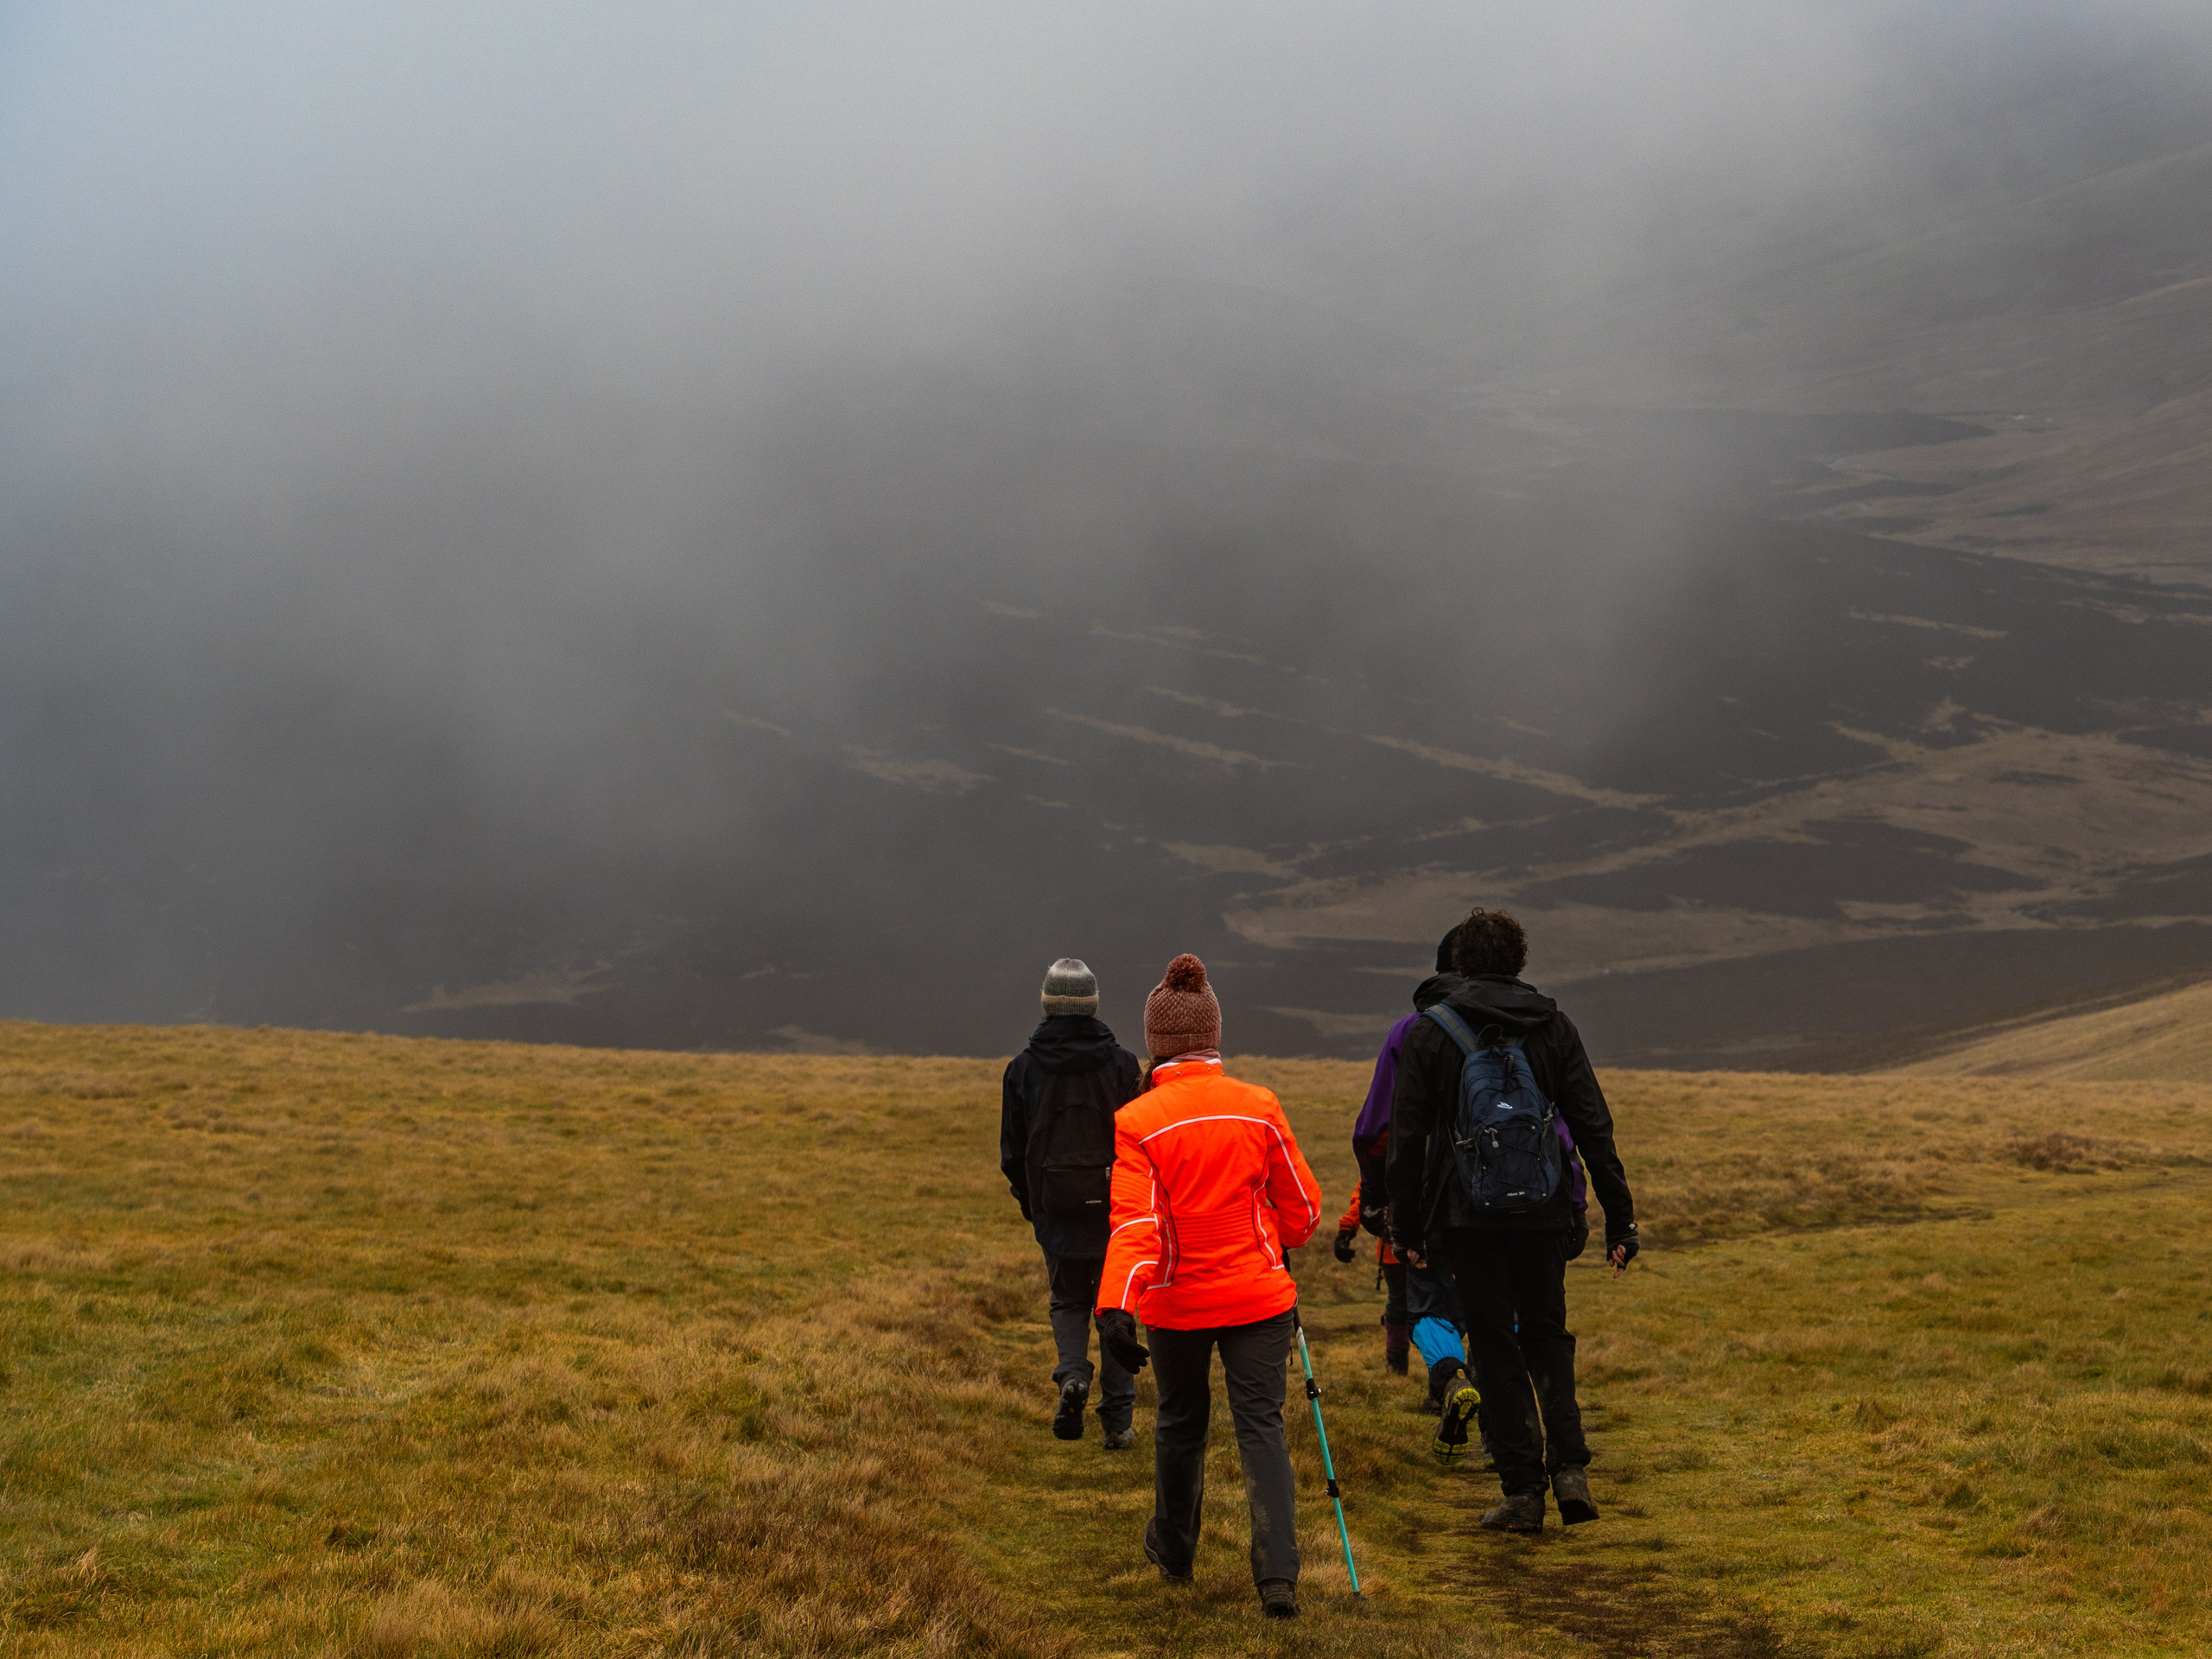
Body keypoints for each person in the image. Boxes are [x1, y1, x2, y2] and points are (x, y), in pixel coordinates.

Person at [1386, 907, 1638, 1534]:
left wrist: (1408, 1230)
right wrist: (1619, 1219)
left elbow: (1407, 1141)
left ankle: (1524, 1493)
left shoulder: (1430, 1032)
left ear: (1462, 962)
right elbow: (1592, 1126)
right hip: (1545, 1209)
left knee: (1493, 1343)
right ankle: (1571, 1469)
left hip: (1466, 1217)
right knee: (1547, 1332)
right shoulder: (1553, 1025)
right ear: (1520, 959)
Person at [1095, 954, 1323, 1620]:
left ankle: (1174, 1552)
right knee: (1262, 1428)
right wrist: (1266, 1233)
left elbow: (1134, 1224)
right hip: (1259, 1296)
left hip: (1176, 1303)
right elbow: (1305, 1214)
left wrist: (1116, 1306)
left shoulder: (1137, 1120)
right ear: (1213, 1036)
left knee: (1179, 1423)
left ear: (1157, 1044)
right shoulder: (1259, 1106)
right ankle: (1277, 1577)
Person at [1000, 957, 1144, 1447]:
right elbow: (1138, 1140)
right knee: (1116, 1308)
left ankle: (1072, 1377)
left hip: (1054, 1211)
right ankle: (1118, 1425)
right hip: (1116, 1211)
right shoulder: (1124, 1065)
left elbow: (1012, 1152)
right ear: (1093, 1005)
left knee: (1067, 1299)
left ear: (1047, 1005)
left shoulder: (1021, 1069)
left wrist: (1032, 1204)